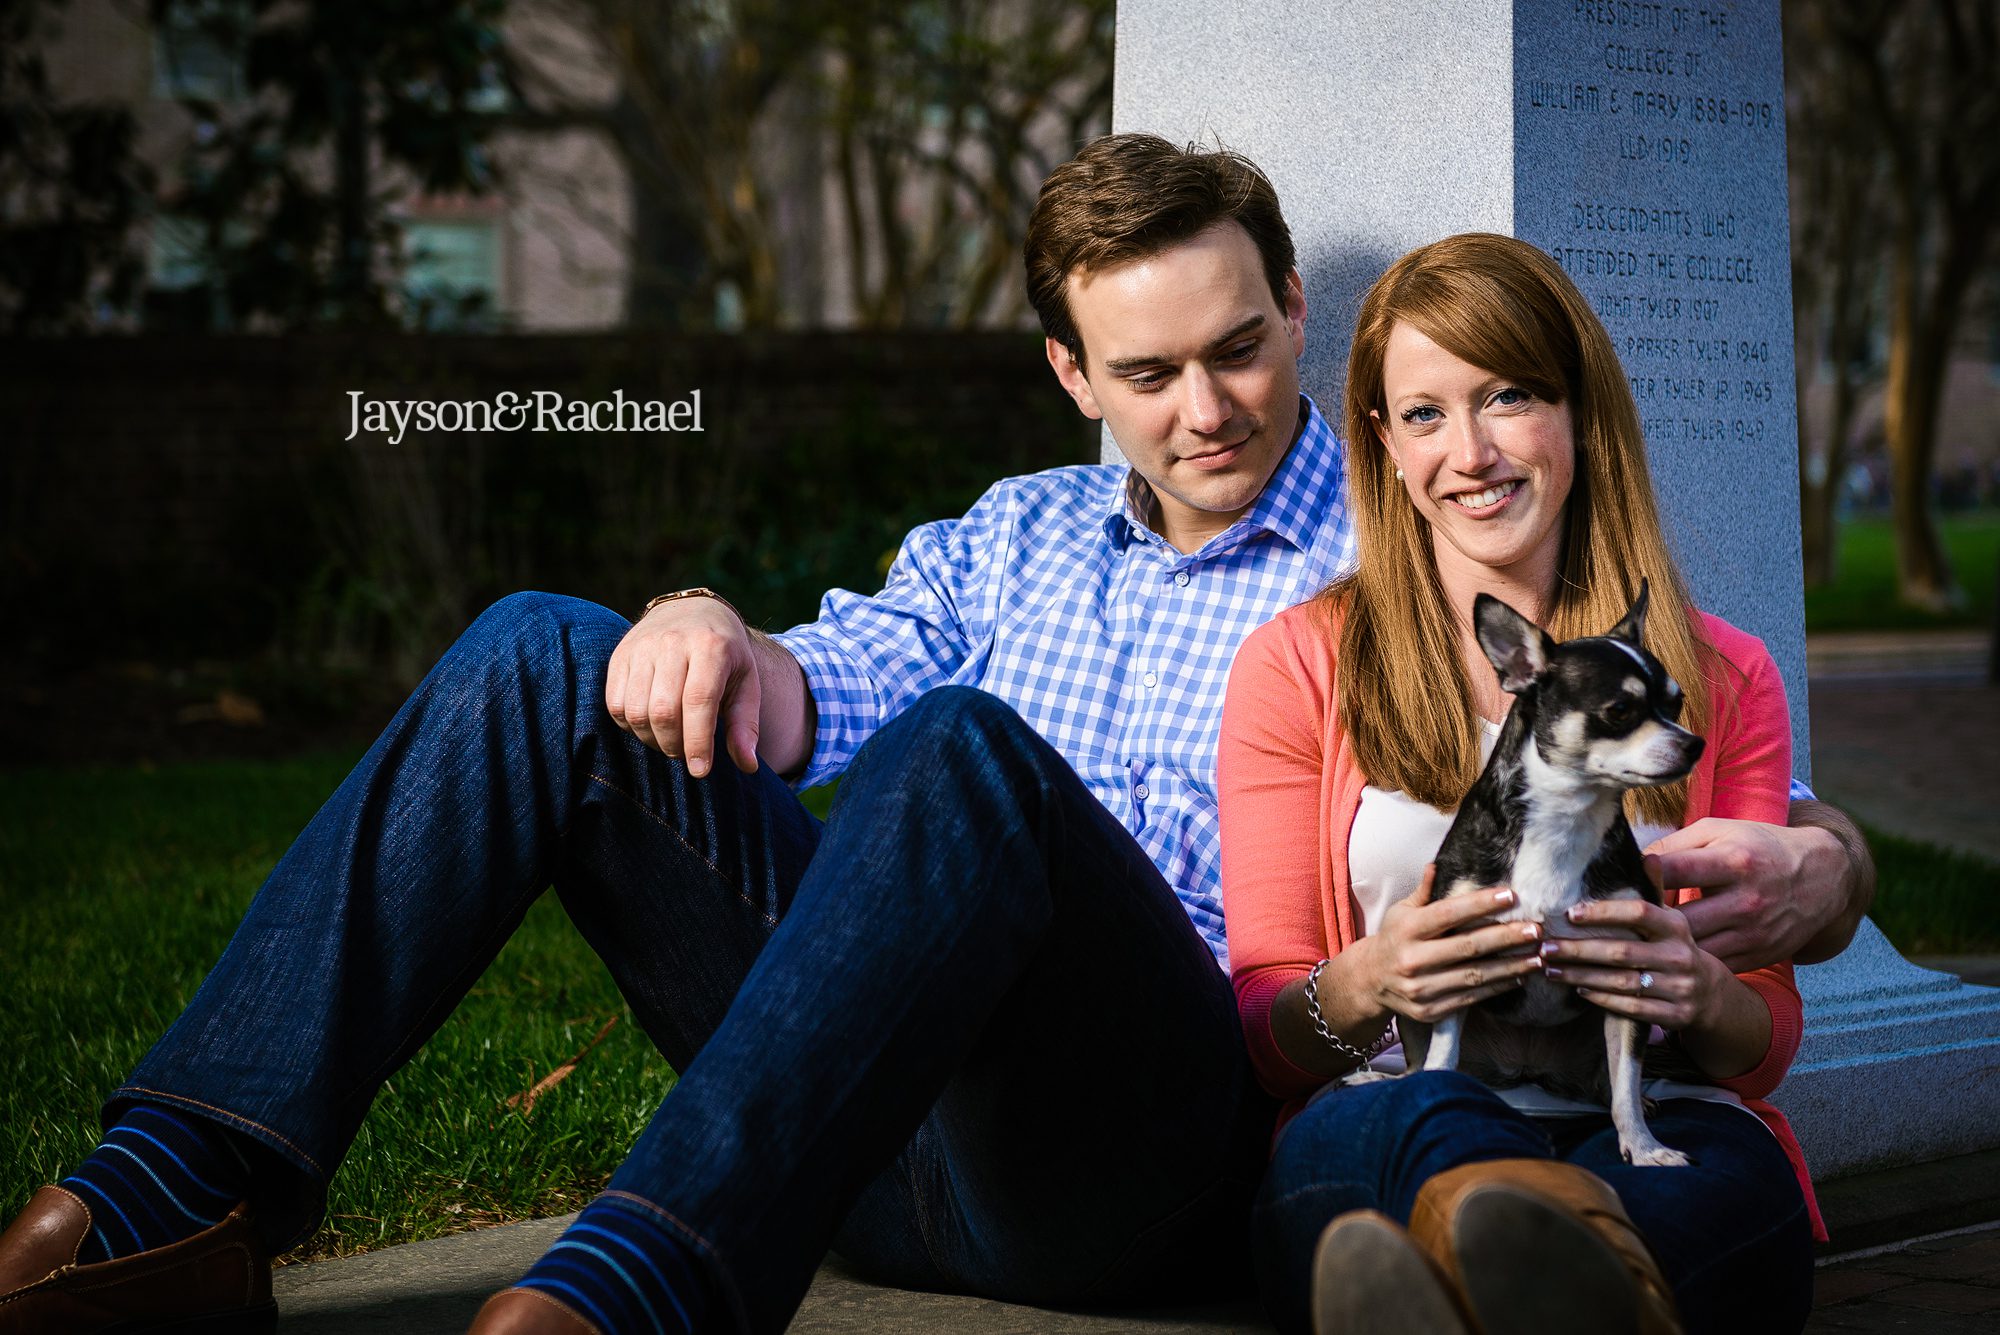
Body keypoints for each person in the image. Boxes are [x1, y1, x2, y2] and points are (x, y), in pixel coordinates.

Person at [0, 140, 1863, 1335]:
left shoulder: (1398, 553)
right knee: (541, 651)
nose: (1203, 407)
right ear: (1071, 376)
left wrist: (1835, 864)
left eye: (1237, 348)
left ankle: (636, 1290)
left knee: (972, 763)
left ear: (1299, 312)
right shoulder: (1010, 536)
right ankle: (174, 1201)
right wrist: (709, 625)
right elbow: (821, 690)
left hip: (1138, 1144)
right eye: (1145, 373)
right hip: (875, 1113)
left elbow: (1627, 696)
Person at [1218, 233, 1824, 1335]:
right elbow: (1265, 1031)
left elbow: (1765, 1040)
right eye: (1422, 413)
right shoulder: (1298, 663)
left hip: (1645, 1108)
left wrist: (1701, 990)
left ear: (1579, 415)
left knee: (1711, 1189)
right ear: (1383, 446)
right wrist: (1366, 980)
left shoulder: (1718, 675)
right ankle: (1535, 1265)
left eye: (1506, 397)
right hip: (1403, 1103)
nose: (1470, 452)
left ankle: (1488, 1285)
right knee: (1408, 1134)